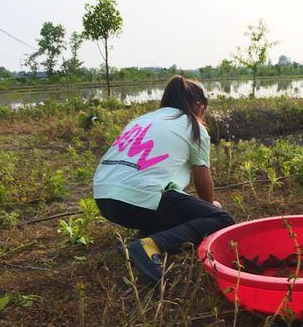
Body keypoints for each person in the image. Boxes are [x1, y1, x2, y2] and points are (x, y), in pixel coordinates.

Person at [93, 76, 235, 283]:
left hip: (104, 198)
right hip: (139, 199)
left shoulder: (143, 119)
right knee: (222, 219)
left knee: (169, 203)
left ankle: (143, 238)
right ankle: (149, 246)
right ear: (199, 105)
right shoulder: (193, 126)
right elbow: (203, 181)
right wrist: (210, 209)